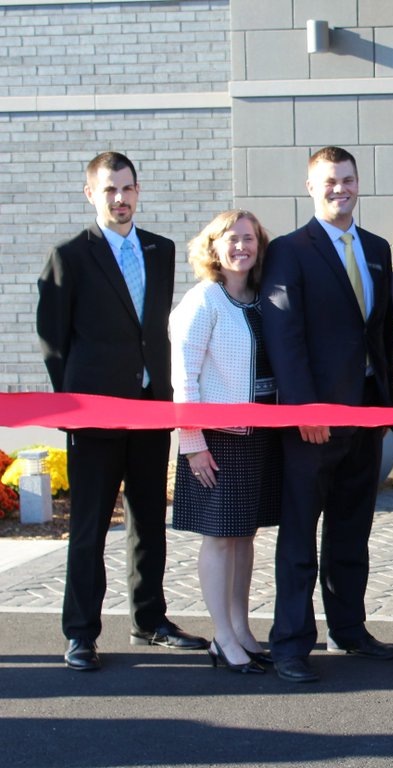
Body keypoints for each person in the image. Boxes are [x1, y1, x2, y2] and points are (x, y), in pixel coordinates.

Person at [37, 151, 206, 671]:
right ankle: (81, 632)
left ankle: (149, 620)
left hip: (152, 409)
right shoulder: (70, 255)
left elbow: (152, 329)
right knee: (89, 527)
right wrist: (74, 405)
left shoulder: (161, 249)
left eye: (127, 188)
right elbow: (52, 341)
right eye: (109, 189)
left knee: (149, 520)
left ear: (138, 190)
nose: (120, 198)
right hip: (96, 415)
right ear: (92, 194)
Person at [260, 146, 393, 683]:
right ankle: (291, 643)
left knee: (351, 528)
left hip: (366, 413)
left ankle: (349, 628)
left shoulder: (378, 248)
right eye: (328, 181)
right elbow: (284, 335)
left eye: (347, 179)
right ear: (310, 187)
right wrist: (303, 408)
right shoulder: (290, 251)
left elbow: (380, 333)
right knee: (299, 534)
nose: (339, 188)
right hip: (312, 420)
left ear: (358, 182)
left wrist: (387, 406)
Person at [169, 210, 281, 675]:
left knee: (244, 536)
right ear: (213, 246)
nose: (242, 247)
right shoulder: (203, 300)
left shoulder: (260, 299)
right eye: (232, 239)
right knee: (219, 540)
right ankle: (222, 636)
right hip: (215, 440)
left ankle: (240, 628)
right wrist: (192, 443)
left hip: (259, 436)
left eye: (250, 238)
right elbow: (185, 379)